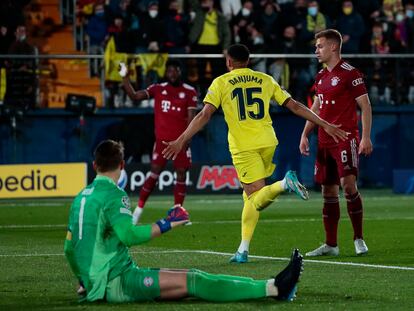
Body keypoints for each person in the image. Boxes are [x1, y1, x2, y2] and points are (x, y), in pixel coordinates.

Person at [162, 43, 349, 263]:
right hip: (268, 142)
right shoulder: (265, 79)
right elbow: (295, 105)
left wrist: (181, 140)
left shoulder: (221, 82)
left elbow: (204, 115)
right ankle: (243, 250)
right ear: (248, 61)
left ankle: (284, 184)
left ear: (229, 62)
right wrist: (323, 123)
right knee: (249, 198)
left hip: (244, 146)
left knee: (256, 197)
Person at [64, 139, 304, 303]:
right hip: (118, 282)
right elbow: (129, 236)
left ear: (95, 165)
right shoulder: (114, 195)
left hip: (108, 278)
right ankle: (273, 288)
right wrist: (168, 223)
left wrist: (85, 280)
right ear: (123, 165)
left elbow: (69, 248)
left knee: (192, 276)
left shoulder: (79, 198)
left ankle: (272, 286)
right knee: (195, 280)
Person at [299, 29, 373, 257]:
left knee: (348, 186)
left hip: (345, 138)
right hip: (323, 141)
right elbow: (316, 108)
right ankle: (331, 244)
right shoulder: (320, 77)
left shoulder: (351, 73)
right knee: (328, 191)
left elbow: (366, 106)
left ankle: (358, 238)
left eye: (319, 46)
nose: (316, 51)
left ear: (333, 47)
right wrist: (305, 134)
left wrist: (366, 136)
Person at [119, 59, 198, 224]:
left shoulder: (190, 91)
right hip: (162, 142)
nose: (172, 74)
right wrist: (125, 78)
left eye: (175, 70)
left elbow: (192, 119)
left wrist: (187, 139)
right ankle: (137, 213)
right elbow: (134, 96)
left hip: (180, 142)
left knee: (181, 174)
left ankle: (179, 213)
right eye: (169, 71)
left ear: (179, 71)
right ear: (166, 72)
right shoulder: (159, 89)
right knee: (153, 174)